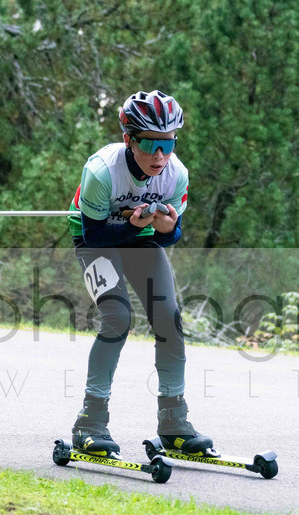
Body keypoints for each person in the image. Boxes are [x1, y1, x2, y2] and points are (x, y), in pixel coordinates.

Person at [67, 89, 213, 458]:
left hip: (141, 236)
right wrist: (133, 225)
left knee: (169, 319)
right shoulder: (101, 171)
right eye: (149, 143)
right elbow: (95, 236)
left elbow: (168, 236)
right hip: (95, 238)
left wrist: (167, 229)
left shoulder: (176, 175)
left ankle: (174, 422)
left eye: (169, 143)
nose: (160, 155)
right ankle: (89, 421)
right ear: (128, 139)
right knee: (117, 318)